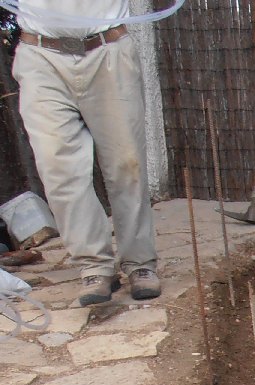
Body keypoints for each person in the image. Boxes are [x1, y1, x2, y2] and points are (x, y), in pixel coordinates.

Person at [10, 0, 161, 306]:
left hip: (107, 49)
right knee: (58, 166)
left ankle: (139, 262)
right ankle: (94, 266)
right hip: (40, 55)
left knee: (126, 163)